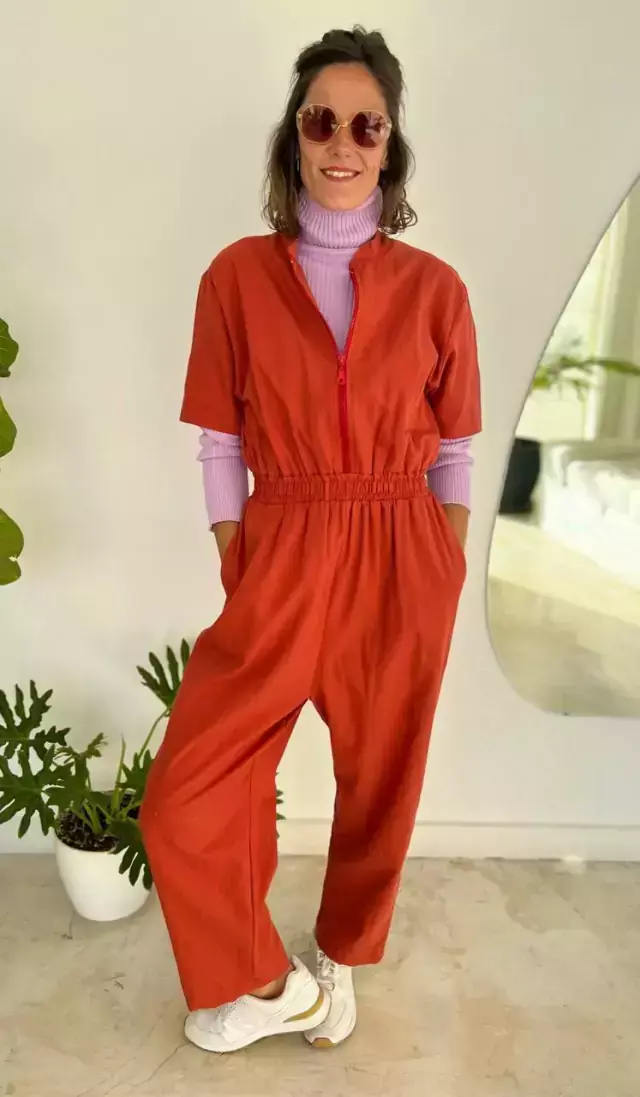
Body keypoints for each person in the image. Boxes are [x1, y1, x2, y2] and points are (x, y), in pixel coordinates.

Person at [140, 25, 481, 1055]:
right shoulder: (237, 277)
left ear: (390, 145)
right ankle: (267, 979)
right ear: (293, 136)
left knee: (382, 771)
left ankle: (339, 957)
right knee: (195, 783)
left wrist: (440, 561)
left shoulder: (436, 289)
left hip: (401, 543)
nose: (342, 142)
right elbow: (219, 438)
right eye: (320, 120)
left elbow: (455, 446)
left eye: (365, 125)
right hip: (284, 536)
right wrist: (236, 549)